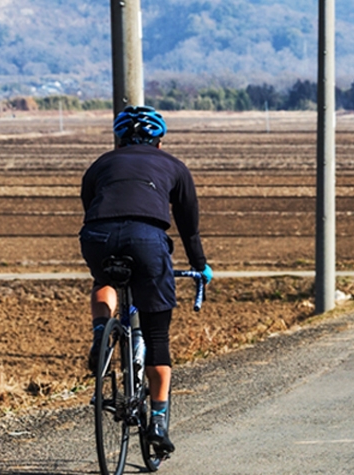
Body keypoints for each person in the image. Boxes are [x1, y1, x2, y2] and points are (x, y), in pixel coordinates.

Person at [79, 105, 213, 454]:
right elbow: (189, 226)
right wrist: (201, 265)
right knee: (156, 337)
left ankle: (100, 334)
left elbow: (91, 208)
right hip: (147, 240)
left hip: (97, 235)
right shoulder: (174, 167)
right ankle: (158, 422)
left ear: (120, 140)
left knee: (103, 279)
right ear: (160, 141)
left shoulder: (100, 164)